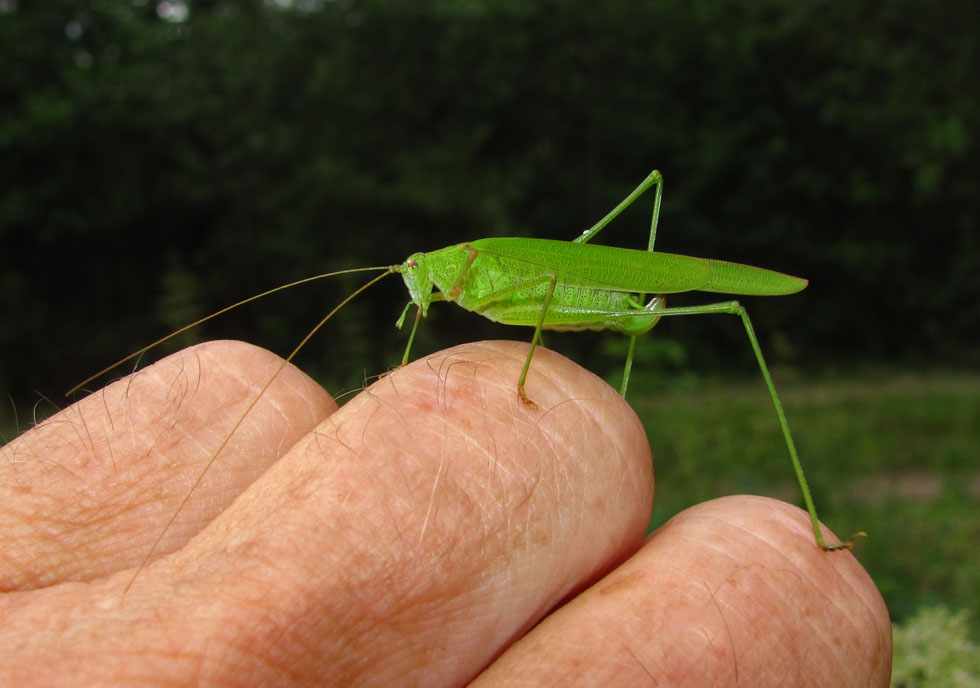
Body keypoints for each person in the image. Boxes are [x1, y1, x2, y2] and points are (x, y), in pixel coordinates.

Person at [0, 340, 891, 686]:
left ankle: (816, 521)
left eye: (421, 280)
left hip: (576, 295)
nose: (416, 291)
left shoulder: (482, 274)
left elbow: (532, 314)